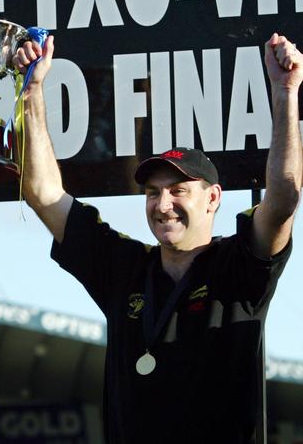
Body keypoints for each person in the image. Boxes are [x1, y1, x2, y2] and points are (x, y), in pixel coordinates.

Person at [15, 33, 302, 443]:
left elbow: (284, 197)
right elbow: (43, 194)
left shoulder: (239, 266)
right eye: (153, 193)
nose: (163, 204)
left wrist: (286, 92)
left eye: (178, 190)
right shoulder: (124, 267)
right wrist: (32, 91)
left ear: (212, 199)